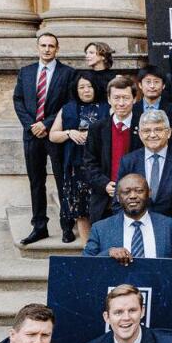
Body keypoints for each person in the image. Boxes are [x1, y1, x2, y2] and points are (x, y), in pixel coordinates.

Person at [13, 32, 75, 245]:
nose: (47, 49)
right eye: (43, 45)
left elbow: (68, 104)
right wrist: (31, 126)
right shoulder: (26, 72)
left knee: (62, 180)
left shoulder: (68, 73)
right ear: (37, 47)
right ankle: (39, 227)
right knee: (36, 181)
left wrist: (46, 124)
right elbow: (18, 100)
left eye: (51, 46)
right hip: (32, 135)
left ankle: (67, 226)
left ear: (57, 49)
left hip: (55, 134)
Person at [49, 70, 108, 241]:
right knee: (81, 212)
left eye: (89, 86)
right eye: (81, 87)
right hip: (76, 168)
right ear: (76, 89)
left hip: (100, 167)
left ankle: (102, 248)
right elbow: (53, 135)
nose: (86, 90)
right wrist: (69, 133)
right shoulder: (67, 109)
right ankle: (87, 250)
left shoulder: (107, 107)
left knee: (102, 209)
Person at [115, 110, 172, 219]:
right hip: (137, 230)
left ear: (169, 132)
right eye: (146, 131)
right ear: (140, 134)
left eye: (158, 130)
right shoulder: (128, 161)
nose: (152, 135)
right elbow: (118, 201)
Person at [81, 75, 142, 225]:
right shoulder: (97, 128)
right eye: (116, 98)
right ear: (109, 99)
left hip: (137, 200)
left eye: (126, 98)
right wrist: (105, 184)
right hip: (105, 199)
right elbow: (89, 163)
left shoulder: (144, 126)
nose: (121, 103)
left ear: (134, 99)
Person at [82, 174, 172, 261]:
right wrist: (108, 253)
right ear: (118, 197)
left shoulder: (170, 226)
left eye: (139, 191)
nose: (133, 196)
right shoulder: (100, 228)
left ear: (149, 193)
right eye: (126, 192)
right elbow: (85, 264)